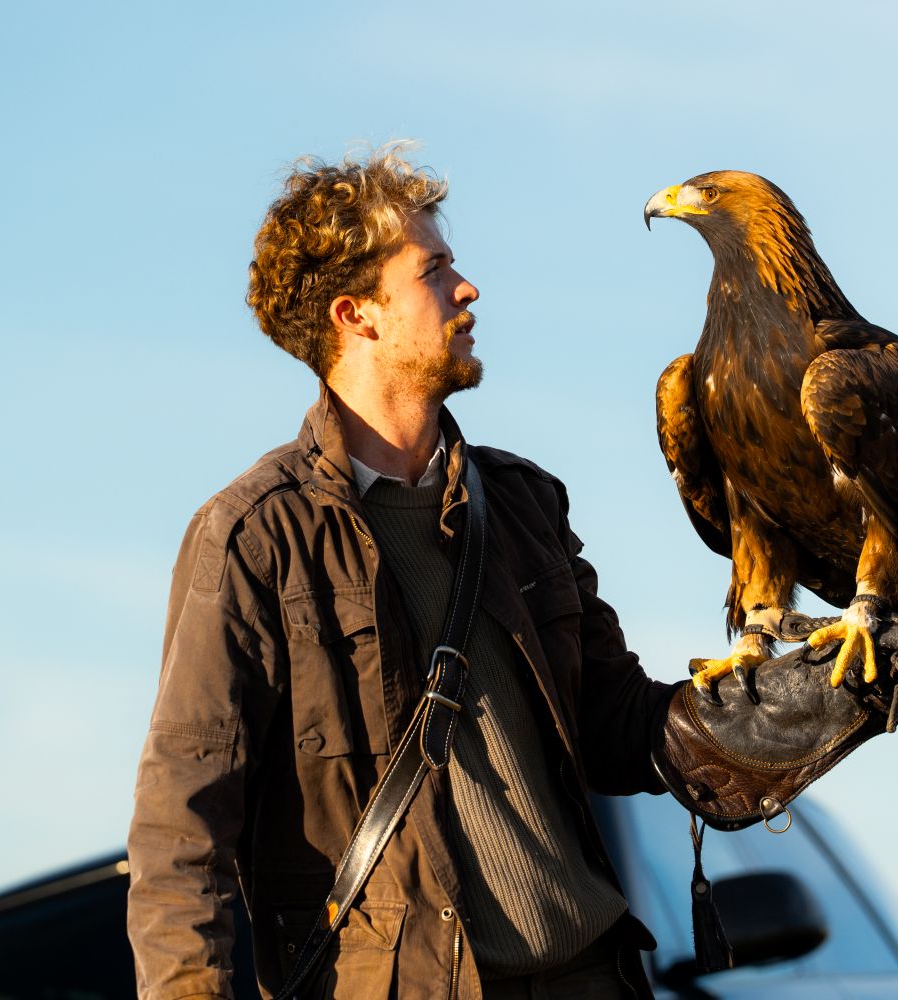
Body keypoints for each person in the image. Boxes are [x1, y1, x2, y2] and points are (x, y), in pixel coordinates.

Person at [126, 145, 680, 999]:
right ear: (357, 316)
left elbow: (624, 728)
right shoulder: (254, 538)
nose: (468, 288)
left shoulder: (525, 505)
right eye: (434, 270)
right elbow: (181, 834)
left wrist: (824, 696)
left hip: (592, 979)